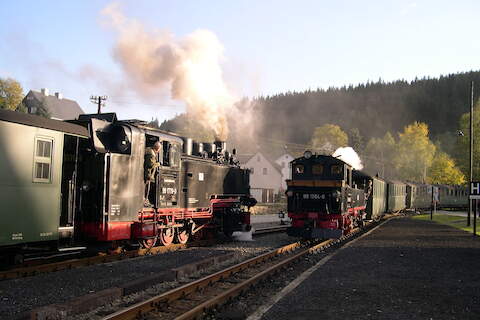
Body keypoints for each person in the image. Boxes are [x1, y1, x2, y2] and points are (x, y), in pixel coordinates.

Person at [144, 141, 161, 206]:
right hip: (148, 174)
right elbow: (151, 164)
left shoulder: (150, 152)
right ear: (157, 148)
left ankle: (146, 200)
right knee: (147, 188)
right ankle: (146, 200)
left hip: (148, 174)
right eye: (159, 149)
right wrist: (158, 164)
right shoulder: (150, 154)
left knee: (148, 187)